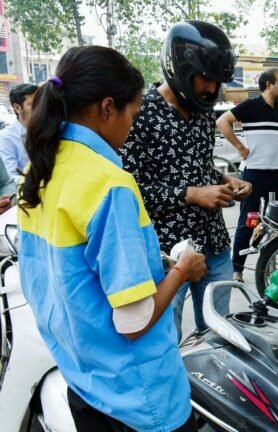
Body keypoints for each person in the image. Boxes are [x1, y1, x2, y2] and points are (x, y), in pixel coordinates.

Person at [17, 46, 207, 432]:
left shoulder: (38, 172)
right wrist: (183, 270)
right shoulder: (110, 184)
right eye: (132, 114)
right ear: (107, 108)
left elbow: (71, 277)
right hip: (139, 398)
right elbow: (134, 320)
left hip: (82, 377)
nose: (131, 126)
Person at [121, 21, 252, 339]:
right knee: (167, 341)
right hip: (166, 255)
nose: (211, 89)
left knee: (220, 335)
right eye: (205, 79)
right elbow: (129, 190)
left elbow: (201, 167)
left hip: (215, 245)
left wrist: (228, 181)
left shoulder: (205, 114)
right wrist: (190, 194)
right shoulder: (140, 113)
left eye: (217, 82)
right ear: (179, 68)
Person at [217, 68, 278, 282]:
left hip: (274, 174)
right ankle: (237, 268)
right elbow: (222, 122)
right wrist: (240, 147)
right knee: (246, 221)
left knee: (270, 222)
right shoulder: (250, 107)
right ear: (268, 84)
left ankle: (266, 264)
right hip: (252, 174)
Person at [0, 83, 38, 183]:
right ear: (17, 108)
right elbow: (11, 177)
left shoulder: (49, 130)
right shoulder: (6, 138)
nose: (41, 109)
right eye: (35, 104)